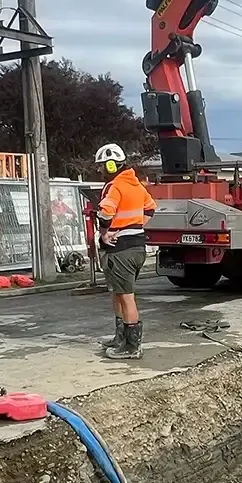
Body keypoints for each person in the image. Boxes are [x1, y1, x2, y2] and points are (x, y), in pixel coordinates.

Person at [94, 143, 155, 360]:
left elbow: (105, 214)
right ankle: (120, 338)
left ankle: (131, 346)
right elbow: (150, 208)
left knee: (126, 297)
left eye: (102, 166)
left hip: (121, 250)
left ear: (111, 166)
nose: (100, 170)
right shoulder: (137, 186)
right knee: (119, 293)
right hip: (137, 247)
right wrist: (136, 226)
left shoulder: (115, 186)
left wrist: (105, 234)